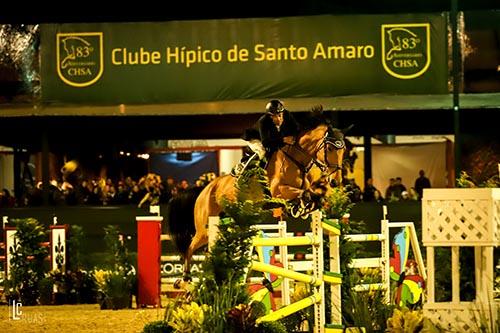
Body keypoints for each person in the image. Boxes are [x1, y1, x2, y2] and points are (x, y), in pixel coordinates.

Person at [231, 99, 300, 177]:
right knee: (263, 152)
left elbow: (297, 128)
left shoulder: (287, 115)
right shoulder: (263, 122)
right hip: (255, 138)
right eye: (274, 116)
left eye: (280, 115)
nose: (279, 119)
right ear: (270, 116)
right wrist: (283, 140)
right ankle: (242, 167)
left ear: (283, 113)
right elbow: (266, 143)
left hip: (272, 139)